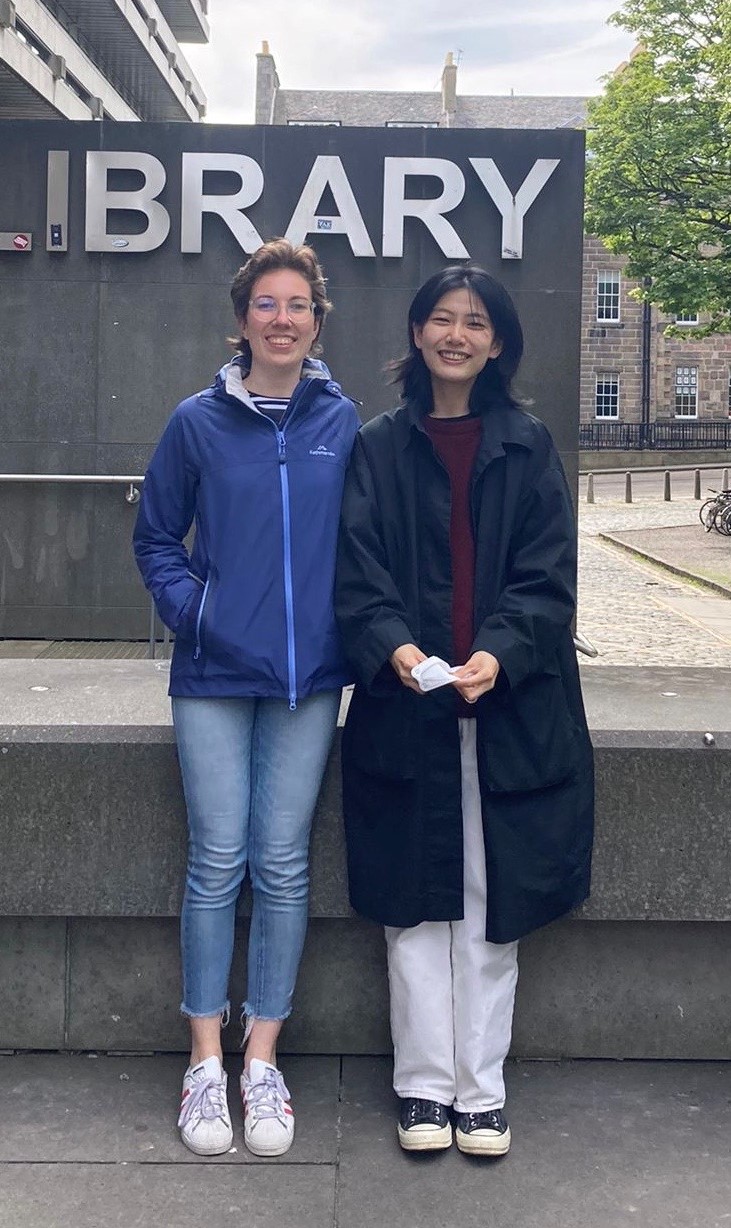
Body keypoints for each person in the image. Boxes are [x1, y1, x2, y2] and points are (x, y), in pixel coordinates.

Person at [335, 264, 594, 1157]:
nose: (455, 334)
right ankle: (420, 1085)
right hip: (404, 704)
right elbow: (356, 570)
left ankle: (479, 1089)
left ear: (497, 343)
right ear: (415, 335)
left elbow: (546, 577)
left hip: (508, 708)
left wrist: (501, 653)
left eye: (474, 322)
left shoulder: (527, 444)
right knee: (411, 900)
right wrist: (394, 648)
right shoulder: (376, 445)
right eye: (440, 318)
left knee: (490, 896)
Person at [133, 238, 359, 1158]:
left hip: (308, 682)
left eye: (297, 303)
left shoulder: (344, 421)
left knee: (284, 865)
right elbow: (154, 538)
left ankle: (261, 1057)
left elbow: (368, 543)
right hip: (216, 677)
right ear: (241, 321)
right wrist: (201, 616)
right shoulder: (196, 423)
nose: (281, 318)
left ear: (316, 319)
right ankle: (202, 1064)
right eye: (264, 303)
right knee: (216, 862)